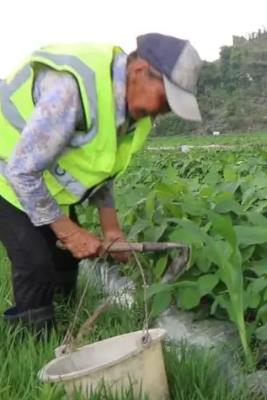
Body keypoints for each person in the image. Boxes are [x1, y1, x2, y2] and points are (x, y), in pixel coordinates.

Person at [0, 33, 203, 332]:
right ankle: (37, 351)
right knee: (35, 263)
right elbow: (20, 172)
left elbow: (102, 169)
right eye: (167, 98)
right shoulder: (71, 91)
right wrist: (70, 233)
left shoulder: (136, 113)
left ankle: (64, 322)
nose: (166, 110)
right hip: (8, 172)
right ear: (139, 71)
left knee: (64, 261)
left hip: (39, 177)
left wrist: (112, 230)